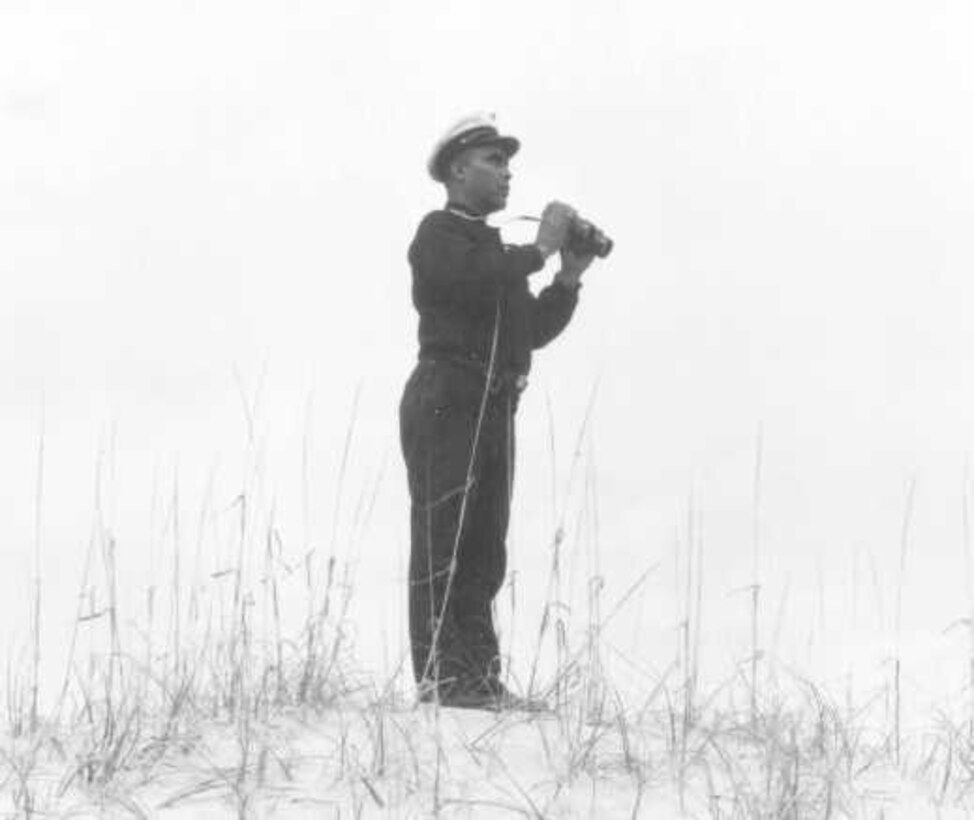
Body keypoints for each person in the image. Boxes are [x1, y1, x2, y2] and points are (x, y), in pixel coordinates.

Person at [399, 112, 601, 710]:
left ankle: (478, 681)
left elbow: (528, 331)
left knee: (484, 548)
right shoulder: (438, 234)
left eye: (508, 162)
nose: (507, 173)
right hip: (446, 395)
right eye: (494, 161)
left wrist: (567, 277)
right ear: (457, 169)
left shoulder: (496, 253)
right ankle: (442, 681)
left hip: (493, 402)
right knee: (444, 540)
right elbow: (470, 280)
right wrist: (540, 249)